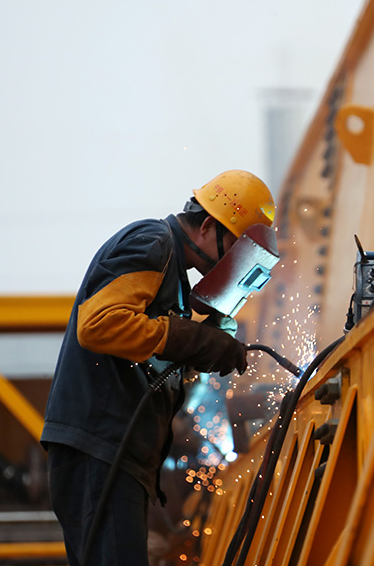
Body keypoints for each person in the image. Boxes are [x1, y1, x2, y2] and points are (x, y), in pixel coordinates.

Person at [41, 170, 275, 565]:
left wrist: (202, 341)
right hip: (99, 447)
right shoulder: (153, 243)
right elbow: (98, 325)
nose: (235, 264)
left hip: (114, 452)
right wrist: (195, 340)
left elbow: (150, 350)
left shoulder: (174, 280)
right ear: (207, 226)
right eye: (235, 250)